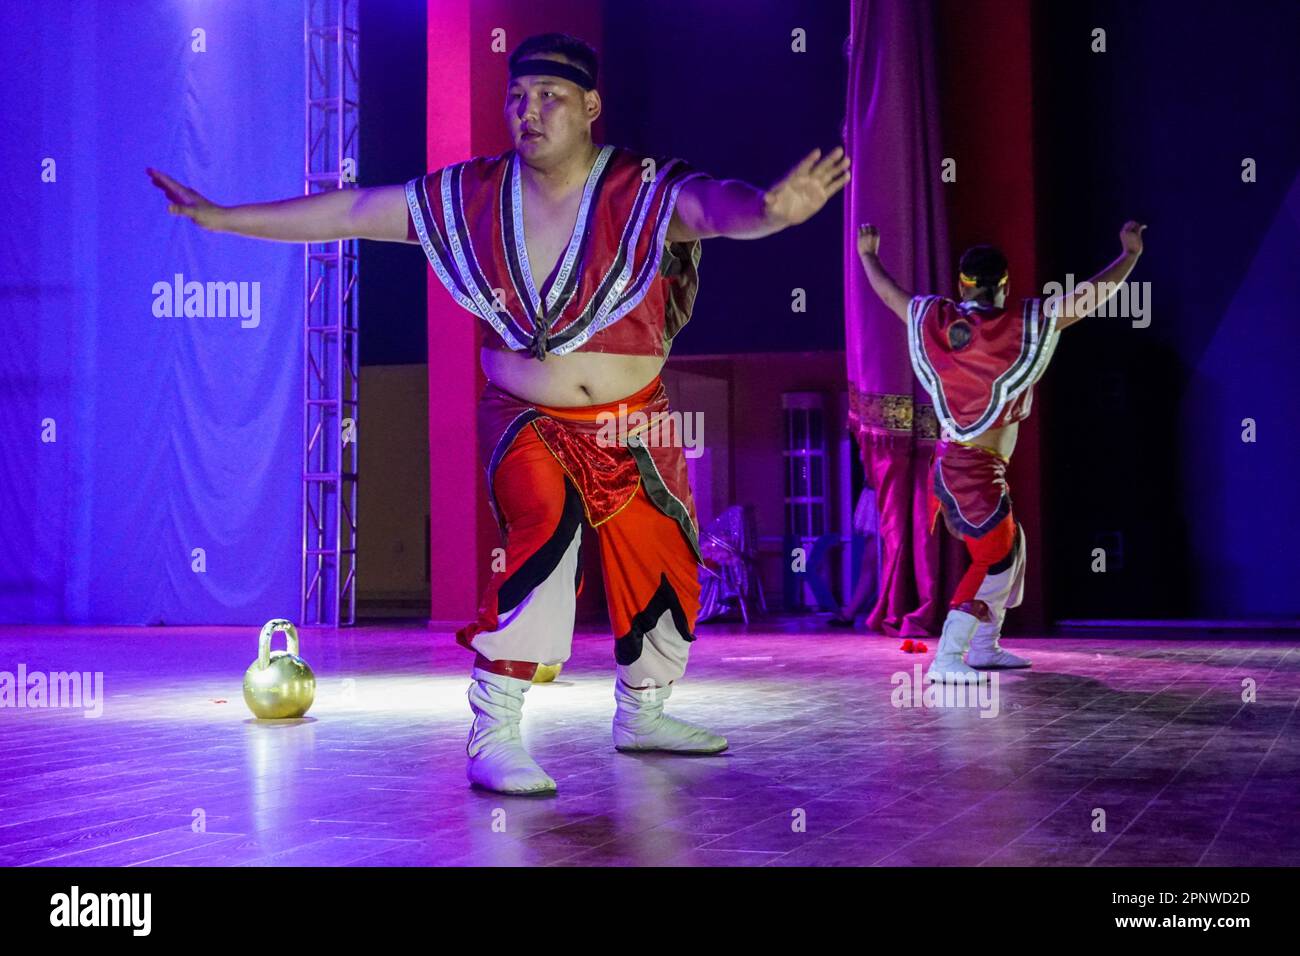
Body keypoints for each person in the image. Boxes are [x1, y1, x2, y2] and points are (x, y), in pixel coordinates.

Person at [148, 32, 850, 793]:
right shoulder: (473, 196)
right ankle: (495, 729)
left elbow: (713, 208)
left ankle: (644, 711)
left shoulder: (638, 191)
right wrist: (226, 218)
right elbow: (355, 207)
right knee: (543, 532)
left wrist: (772, 212)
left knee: (664, 559)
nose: (528, 110)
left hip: (633, 419)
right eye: (518, 96)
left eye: (549, 97)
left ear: (590, 107)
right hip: (525, 417)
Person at [856, 220, 1145, 682]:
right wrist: (1128, 256)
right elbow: (1085, 299)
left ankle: (986, 646)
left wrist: (868, 254)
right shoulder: (1019, 324)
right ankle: (947, 658)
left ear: (961, 284)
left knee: (1012, 548)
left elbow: (892, 295)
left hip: (969, 466)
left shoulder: (938, 320)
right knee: (995, 558)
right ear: (1005, 286)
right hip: (968, 468)